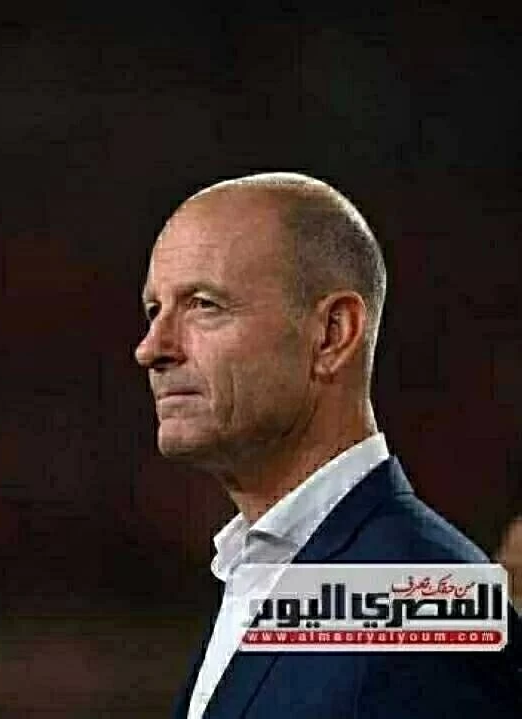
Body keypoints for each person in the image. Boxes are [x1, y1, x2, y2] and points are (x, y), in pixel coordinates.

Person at [134, 173, 522, 718]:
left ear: (332, 334)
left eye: (204, 304)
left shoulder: (421, 603)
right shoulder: (257, 569)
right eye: (155, 310)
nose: (151, 348)